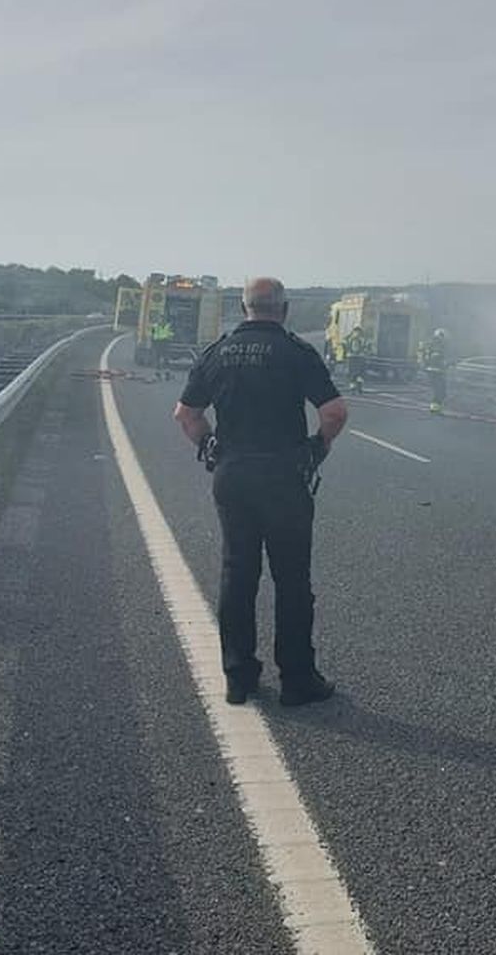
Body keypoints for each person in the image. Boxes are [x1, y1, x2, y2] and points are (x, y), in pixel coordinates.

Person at [173, 277, 348, 706]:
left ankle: (239, 677)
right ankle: (297, 679)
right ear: (284, 309)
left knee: (238, 574)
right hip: (283, 477)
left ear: (243, 307)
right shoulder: (295, 351)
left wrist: (210, 446)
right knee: (291, 580)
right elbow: (334, 412)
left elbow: (186, 414)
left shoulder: (218, 352)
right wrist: (317, 447)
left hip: (233, 476)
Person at [423, 327, 448, 413]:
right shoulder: (438, 345)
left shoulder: (431, 344)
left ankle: (436, 407)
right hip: (436, 371)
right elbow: (438, 357)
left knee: (440, 390)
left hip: (434, 371)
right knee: (440, 390)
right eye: (443, 336)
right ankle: (435, 408)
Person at [345, 324, 370, 395]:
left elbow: (344, 344)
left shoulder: (349, 338)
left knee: (352, 373)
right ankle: (359, 388)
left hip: (351, 357)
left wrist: (346, 353)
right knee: (360, 374)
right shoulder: (363, 339)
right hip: (361, 358)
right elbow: (368, 346)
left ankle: (352, 389)